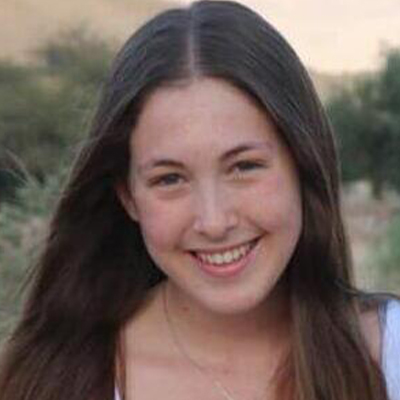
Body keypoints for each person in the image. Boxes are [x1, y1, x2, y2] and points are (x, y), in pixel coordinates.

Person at [0, 1, 399, 399]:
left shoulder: (389, 356)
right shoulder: (47, 381)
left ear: (303, 165)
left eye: (244, 166)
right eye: (170, 178)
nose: (213, 221)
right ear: (128, 196)